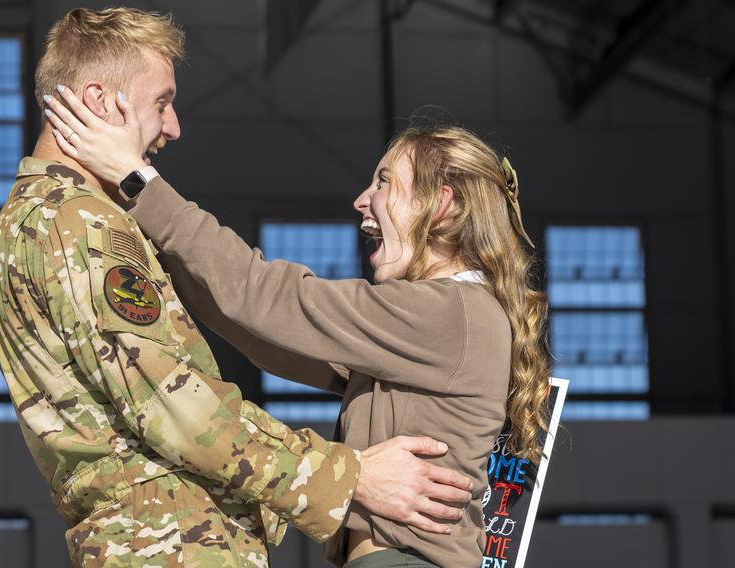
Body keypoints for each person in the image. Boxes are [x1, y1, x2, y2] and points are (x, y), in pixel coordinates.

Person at [0, 8, 475, 568]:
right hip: (170, 546)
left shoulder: (41, 222)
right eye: (161, 102)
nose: (173, 127)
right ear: (98, 100)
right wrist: (347, 476)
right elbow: (173, 405)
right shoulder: (78, 224)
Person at [41, 83, 552, 568]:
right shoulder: (432, 326)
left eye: (383, 182)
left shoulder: (450, 312)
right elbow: (266, 330)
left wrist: (138, 182)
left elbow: (269, 298)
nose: (361, 200)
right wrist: (158, 249)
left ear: (441, 205)